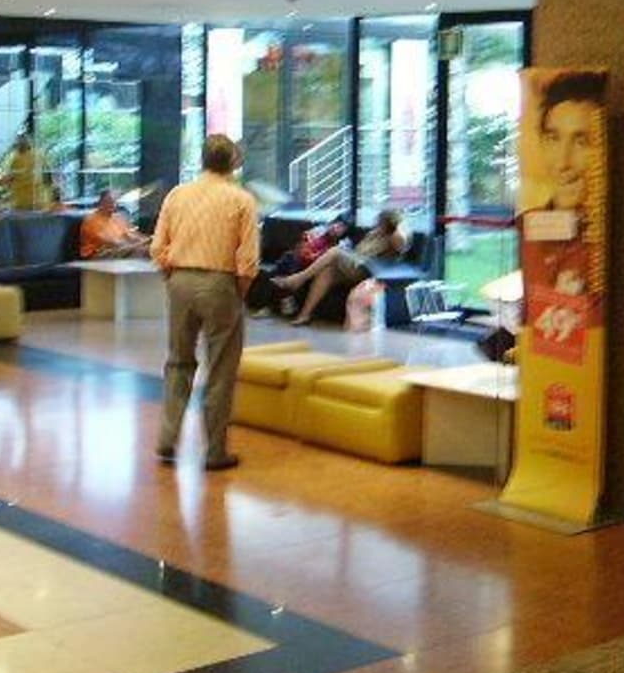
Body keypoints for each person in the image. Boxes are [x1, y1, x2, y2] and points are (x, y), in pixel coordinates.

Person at [150, 134, 259, 471]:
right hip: (220, 283)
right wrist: (237, 292)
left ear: (202, 160)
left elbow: (157, 247)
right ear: (234, 163)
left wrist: (172, 275)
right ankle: (214, 451)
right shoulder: (241, 200)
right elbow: (248, 260)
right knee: (221, 368)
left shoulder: (177, 194)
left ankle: (167, 438)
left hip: (180, 280)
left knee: (178, 362)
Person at [520, 72, 606, 328]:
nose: (563, 162)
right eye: (554, 138)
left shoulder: (603, 243)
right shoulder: (528, 225)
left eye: (581, 142)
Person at [271, 210, 406, 326]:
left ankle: (297, 279)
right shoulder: (374, 233)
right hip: (354, 263)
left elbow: (401, 242)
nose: (378, 224)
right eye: (379, 221)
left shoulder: (395, 238)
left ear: (389, 224)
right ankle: (305, 314)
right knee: (327, 271)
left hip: (367, 269)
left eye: (382, 222)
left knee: (336, 251)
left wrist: (397, 224)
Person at [79, 189, 151, 259]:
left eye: (114, 201)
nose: (112, 204)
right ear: (100, 202)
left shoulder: (118, 218)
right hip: (99, 254)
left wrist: (147, 240)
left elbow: (131, 235)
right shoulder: (91, 220)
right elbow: (109, 240)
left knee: (151, 249)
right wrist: (132, 246)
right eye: (108, 201)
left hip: (118, 250)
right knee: (142, 251)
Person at [1, 133, 47, 211]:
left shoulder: (37, 155)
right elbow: (7, 175)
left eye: (23, 140)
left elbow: (46, 173)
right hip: (19, 199)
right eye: (19, 140)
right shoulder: (13, 157)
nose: (21, 142)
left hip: (35, 198)